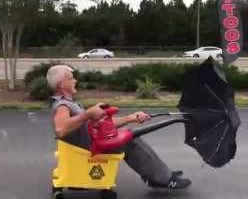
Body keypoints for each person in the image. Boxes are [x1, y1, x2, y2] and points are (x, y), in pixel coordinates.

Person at [46, 65, 191, 189]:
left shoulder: (69, 103)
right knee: (130, 140)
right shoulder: (62, 105)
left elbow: (103, 125)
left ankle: (157, 175)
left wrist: (131, 118)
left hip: (92, 141)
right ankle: (164, 179)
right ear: (61, 84)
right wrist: (88, 114)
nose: (75, 80)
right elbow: (61, 128)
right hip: (88, 147)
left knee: (128, 135)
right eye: (71, 78)